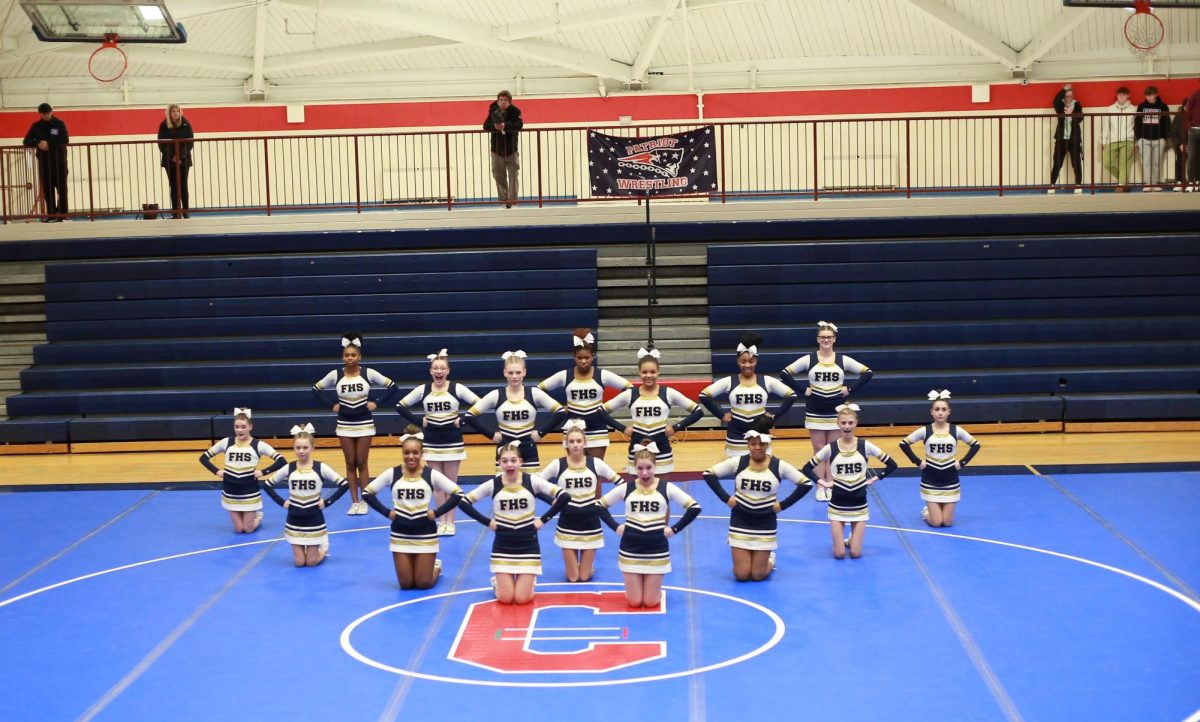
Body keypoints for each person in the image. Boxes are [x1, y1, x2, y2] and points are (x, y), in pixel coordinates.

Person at [455, 442, 570, 604]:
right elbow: (464, 502)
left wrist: (543, 520)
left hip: (528, 545)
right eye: (505, 461)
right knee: (506, 599)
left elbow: (564, 496)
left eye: (513, 460)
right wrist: (488, 522)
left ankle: (530, 582)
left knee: (522, 599)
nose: (509, 465)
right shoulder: (493, 484)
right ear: (500, 463)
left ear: (520, 462)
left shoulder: (532, 481)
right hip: (503, 546)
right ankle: (498, 583)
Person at [702, 417, 812, 582]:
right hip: (741, 521)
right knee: (741, 575)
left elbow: (805, 483)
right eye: (753, 444)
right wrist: (726, 499)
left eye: (761, 444)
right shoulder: (739, 462)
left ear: (767, 444)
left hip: (765, 523)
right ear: (748, 444)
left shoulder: (778, 465)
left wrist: (782, 505)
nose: (757, 448)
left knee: (758, 575)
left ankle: (770, 559)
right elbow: (708, 474)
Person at [596, 444, 702, 607]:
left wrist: (674, 529)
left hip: (656, 549)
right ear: (634, 468)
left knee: (651, 602)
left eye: (648, 468)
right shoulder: (627, 488)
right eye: (640, 468)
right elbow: (600, 506)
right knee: (635, 602)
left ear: (655, 466)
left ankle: (651, 589)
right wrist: (616, 527)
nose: (644, 473)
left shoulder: (666, 488)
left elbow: (694, 507)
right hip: (630, 548)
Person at [362, 426, 465, 589]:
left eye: (415, 453)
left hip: (425, 533)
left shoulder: (430, 474)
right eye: (407, 452)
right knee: (406, 584)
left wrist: (437, 513)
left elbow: (458, 493)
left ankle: (436, 567)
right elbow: (367, 493)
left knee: (424, 583)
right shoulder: (393, 473)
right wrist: (387, 512)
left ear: (421, 453)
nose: (411, 456)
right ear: (402, 453)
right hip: (400, 533)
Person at [781, 321, 873, 502]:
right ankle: (820, 485)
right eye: (822, 337)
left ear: (834, 339)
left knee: (832, 450)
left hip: (835, 410)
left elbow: (867, 372)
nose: (826, 340)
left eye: (829, 337)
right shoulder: (809, 359)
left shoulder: (842, 359)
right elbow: (785, 373)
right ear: (817, 339)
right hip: (815, 409)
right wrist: (803, 390)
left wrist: (850, 389)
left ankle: (831, 484)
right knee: (818, 450)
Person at [311, 333, 399, 516]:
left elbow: (393, 387)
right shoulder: (335, 374)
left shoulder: (368, 373)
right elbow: (316, 389)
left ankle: (365, 500)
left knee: (361, 462)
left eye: (353, 355)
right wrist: (331, 405)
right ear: (342, 356)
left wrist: (377, 403)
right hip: (344, 424)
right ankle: (355, 501)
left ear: (359, 356)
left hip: (364, 423)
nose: (350, 358)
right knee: (350, 463)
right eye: (347, 355)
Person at [395, 349, 479, 537]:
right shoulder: (424, 389)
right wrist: (419, 421)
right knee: (438, 486)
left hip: (452, 442)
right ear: (431, 371)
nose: (439, 371)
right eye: (435, 368)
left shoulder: (456, 388)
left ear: (448, 371)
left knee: (451, 485)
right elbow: (400, 405)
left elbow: (479, 405)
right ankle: (442, 521)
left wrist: (463, 420)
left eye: (442, 368)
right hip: (431, 442)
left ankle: (451, 522)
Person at [800, 404, 897, 560]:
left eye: (850, 423)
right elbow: (807, 468)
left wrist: (875, 478)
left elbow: (892, 464)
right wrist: (822, 483)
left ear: (856, 423)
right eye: (843, 423)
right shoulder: (831, 448)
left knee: (855, 553)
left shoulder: (865, 445)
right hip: (837, 505)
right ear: (838, 424)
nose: (847, 426)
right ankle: (843, 541)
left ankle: (851, 538)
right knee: (839, 554)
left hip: (859, 505)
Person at [537, 419, 621, 583]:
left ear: (585, 443)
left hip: (590, 522)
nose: (575, 445)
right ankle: (577, 566)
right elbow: (535, 485)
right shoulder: (557, 464)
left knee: (584, 577)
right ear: (566, 444)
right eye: (572, 441)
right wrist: (552, 501)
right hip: (567, 522)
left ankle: (587, 567)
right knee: (573, 578)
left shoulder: (595, 463)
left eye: (578, 441)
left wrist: (603, 503)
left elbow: (621, 484)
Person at [602, 347, 705, 474]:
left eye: (652, 372)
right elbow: (600, 412)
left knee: (661, 491)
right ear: (639, 372)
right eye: (644, 372)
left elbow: (698, 411)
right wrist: (623, 428)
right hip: (637, 451)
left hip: (662, 452)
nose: (648, 375)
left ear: (658, 372)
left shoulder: (668, 393)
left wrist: (676, 427)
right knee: (638, 492)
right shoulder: (630, 394)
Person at [261, 423, 349, 567]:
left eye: (305, 447)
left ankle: (324, 547)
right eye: (298, 448)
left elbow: (344, 484)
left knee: (311, 562)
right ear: (294, 448)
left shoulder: (320, 468)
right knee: (300, 562)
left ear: (313, 448)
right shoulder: (289, 468)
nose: (301, 451)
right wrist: (282, 502)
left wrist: (327, 502)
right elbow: (267, 485)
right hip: (294, 519)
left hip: (314, 519)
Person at [463, 350, 567, 472]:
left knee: (530, 488)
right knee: (504, 489)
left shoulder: (534, 393)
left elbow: (560, 412)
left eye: (518, 372)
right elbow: (469, 416)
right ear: (504, 373)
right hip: (505, 450)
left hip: (528, 450)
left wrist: (540, 433)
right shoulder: (496, 395)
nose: (514, 376)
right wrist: (491, 435)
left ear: (524, 372)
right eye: (510, 372)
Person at [537, 328, 631, 461]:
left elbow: (629, 389)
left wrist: (607, 408)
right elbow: (537, 391)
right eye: (579, 358)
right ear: (574, 357)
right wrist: (558, 408)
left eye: (587, 357)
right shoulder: (565, 375)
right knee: (575, 471)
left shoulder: (602, 375)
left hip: (597, 428)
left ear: (593, 356)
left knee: (595, 471)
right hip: (573, 428)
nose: (583, 361)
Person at [699, 332, 796, 457]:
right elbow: (703, 396)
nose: (747, 365)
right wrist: (721, 415)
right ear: (737, 361)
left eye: (751, 361)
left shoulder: (766, 381)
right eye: (743, 361)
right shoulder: (729, 381)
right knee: (737, 470)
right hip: (736, 435)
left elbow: (791, 395)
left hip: (760, 434)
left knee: (763, 471)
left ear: (756, 361)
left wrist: (774, 417)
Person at [898, 390, 981, 529]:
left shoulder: (956, 430)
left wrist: (962, 463)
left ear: (949, 412)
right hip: (930, 480)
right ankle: (926, 512)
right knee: (937, 523)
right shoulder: (925, 430)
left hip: (950, 480)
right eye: (937, 409)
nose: (940, 412)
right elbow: (903, 444)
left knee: (947, 522)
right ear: (932, 412)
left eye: (943, 409)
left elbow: (975, 445)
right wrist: (918, 462)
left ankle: (935, 510)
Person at [198, 407, 285, 533]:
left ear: (250, 427)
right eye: (236, 427)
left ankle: (258, 517)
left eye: (243, 427)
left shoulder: (258, 445)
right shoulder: (226, 442)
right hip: (230, 490)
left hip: (249, 490)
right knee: (239, 529)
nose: (239, 430)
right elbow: (204, 458)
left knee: (248, 529)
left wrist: (262, 472)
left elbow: (281, 461)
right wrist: (217, 471)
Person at [22, 102, 68, 222]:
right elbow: (26, 141)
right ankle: (51, 214)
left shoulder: (59, 124)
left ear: (51, 112)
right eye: (43, 114)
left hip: (59, 163)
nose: (46, 116)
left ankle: (63, 214)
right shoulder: (36, 126)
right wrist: (38, 144)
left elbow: (65, 139)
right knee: (48, 191)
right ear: (40, 114)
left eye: (48, 113)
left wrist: (49, 144)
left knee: (62, 189)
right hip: (44, 163)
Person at [483, 90, 523, 208]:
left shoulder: (516, 112)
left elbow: (519, 125)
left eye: (505, 100)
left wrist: (506, 125)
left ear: (509, 101)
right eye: (501, 100)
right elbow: (485, 126)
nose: (503, 102)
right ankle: (504, 199)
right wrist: (495, 127)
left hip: (512, 150)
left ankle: (513, 200)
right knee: (498, 175)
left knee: (513, 176)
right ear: (498, 101)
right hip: (496, 150)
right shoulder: (492, 111)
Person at [157, 103, 195, 217]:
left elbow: (190, 143)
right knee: (173, 186)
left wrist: (180, 156)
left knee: (183, 185)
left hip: (184, 160)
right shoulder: (163, 125)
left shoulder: (186, 124)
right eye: (173, 111)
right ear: (169, 113)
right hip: (169, 161)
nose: (176, 113)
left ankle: (185, 211)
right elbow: (162, 144)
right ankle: (175, 212)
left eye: (178, 111)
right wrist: (173, 157)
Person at [1048, 84, 1084, 194]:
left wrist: (1071, 114)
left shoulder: (1077, 105)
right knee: (1057, 163)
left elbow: (1080, 118)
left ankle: (1078, 184)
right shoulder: (1060, 105)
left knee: (1076, 163)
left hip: (1074, 140)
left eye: (1070, 96)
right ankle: (1052, 185)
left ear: (1073, 96)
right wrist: (1063, 89)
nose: (1068, 98)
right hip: (1061, 140)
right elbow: (1055, 100)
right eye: (1066, 96)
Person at [1134, 86, 1171, 191]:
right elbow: (1137, 123)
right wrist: (1139, 138)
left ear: (1156, 94)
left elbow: (1167, 123)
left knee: (1156, 163)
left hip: (1159, 139)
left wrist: (1164, 137)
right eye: (1147, 95)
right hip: (1144, 139)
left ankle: (1154, 184)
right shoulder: (1141, 106)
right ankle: (1147, 184)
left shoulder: (1163, 106)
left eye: (1151, 95)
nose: (1149, 97)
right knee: (1146, 162)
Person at [1100, 87, 1136, 191]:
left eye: (1123, 94)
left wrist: (1136, 143)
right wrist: (1103, 140)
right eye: (1119, 94)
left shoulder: (1133, 109)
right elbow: (1106, 126)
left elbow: (1136, 127)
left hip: (1128, 140)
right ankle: (1124, 182)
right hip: (1112, 140)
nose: (1121, 96)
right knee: (1107, 163)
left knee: (1124, 163)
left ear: (1128, 95)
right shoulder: (1110, 109)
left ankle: (1121, 185)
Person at [1170, 99, 1189, 191]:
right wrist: (1180, 144)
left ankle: (1195, 181)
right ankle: (1179, 181)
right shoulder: (1178, 117)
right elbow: (1173, 133)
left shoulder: (1197, 116)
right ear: (1183, 106)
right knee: (1179, 162)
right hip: (1181, 145)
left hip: (1195, 145)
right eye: (1186, 106)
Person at [1184, 85, 1200, 192]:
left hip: (1193, 129)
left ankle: (1198, 181)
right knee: (1192, 157)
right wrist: (1189, 126)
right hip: (1194, 130)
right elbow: (1187, 111)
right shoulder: (1195, 95)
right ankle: (1191, 182)